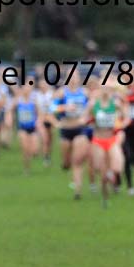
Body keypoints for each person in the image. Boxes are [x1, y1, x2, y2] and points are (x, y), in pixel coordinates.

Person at [88, 83, 127, 207]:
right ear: (99, 90)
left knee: (118, 166)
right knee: (101, 170)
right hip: (98, 140)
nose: (105, 91)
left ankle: (111, 175)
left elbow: (126, 117)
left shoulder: (115, 104)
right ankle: (105, 198)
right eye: (103, 89)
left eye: (108, 89)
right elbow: (85, 118)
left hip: (111, 139)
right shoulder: (93, 104)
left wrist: (121, 124)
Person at [53, 71, 90, 200]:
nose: (73, 79)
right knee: (67, 162)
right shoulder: (61, 92)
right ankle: (65, 163)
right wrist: (64, 108)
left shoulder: (85, 93)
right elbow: (51, 108)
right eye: (70, 76)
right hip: (66, 129)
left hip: (80, 129)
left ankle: (77, 190)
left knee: (77, 160)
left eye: (75, 76)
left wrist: (86, 118)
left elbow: (91, 107)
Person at [12, 82, 41, 174]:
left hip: (33, 128)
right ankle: (26, 168)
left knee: (35, 150)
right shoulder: (18, 100)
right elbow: (9, 110)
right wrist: (8, 118)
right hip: (22, 128)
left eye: (29, 88)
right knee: (25, 148)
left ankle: (32, 155)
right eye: (25, 87)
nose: (27, 89)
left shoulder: (34, 101)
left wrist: (38, 121)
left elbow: (40, 113)